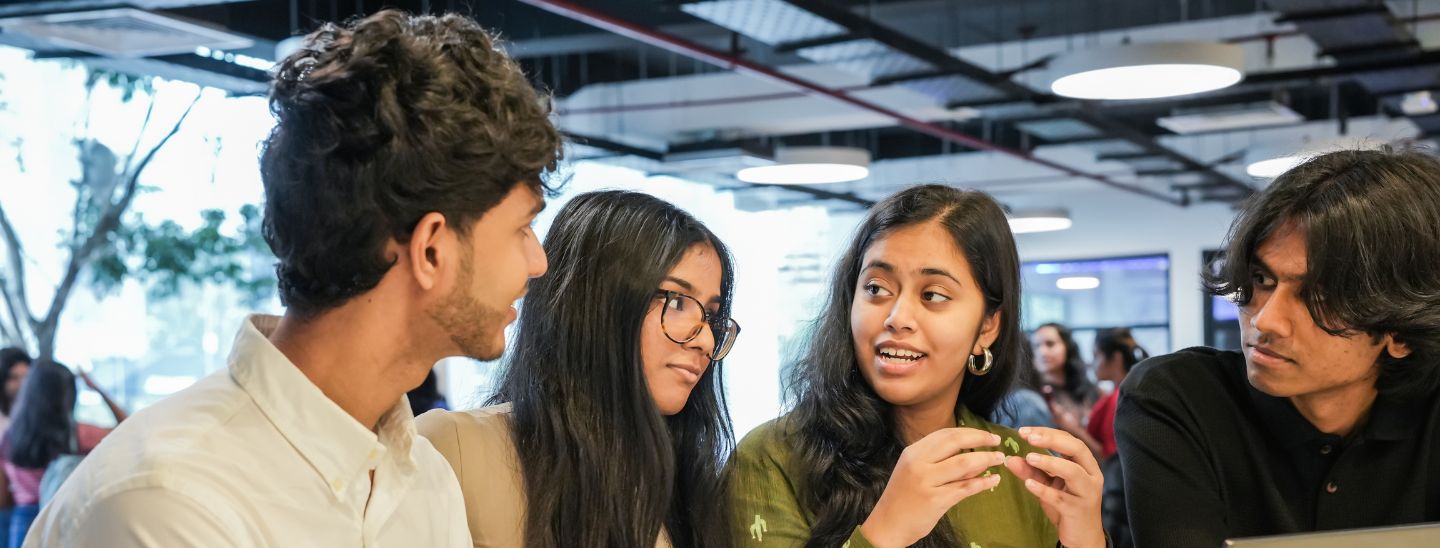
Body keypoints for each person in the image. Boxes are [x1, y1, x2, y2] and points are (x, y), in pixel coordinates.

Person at [27, 9, 563, 547]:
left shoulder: (424, 479)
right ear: (430, 250)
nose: (537, 262)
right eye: (522, 228)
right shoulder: (169, 503)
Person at [729, 185, 1104, 548]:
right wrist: (884, 533)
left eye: (933, 295)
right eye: (876, 288)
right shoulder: (774, 457)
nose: (898, 317)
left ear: (987, 328)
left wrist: (1088, 541)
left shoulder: (1024, 468)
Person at [1116, 148, 1440, 546]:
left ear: (1401, 332)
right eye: (1262, 279)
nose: (1265, 320)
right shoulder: (1181, 399)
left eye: (1319, 297)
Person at [417, 191, 740, 548]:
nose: (706, 340)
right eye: (677, 302)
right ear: (596, 305)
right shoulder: (456, 448)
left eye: (712, 316)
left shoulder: (691, 484)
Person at [3, 361, 126, 546]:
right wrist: (97, 389)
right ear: (68, 395)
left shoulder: (9, 437)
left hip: (21, 524)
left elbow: (3, 497)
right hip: (63, 519)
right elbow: (129, 428)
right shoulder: (80, 434)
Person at [1031, 323, 1099, 428]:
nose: (1042, 352)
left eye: (1050, 344)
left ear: (1068, 347)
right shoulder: (1028, 395)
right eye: (1036, 346)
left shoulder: (1091, 390)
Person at [0, 346, 29, 543]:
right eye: (14, 378)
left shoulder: (36, 418)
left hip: (24, 507)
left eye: (26, 377)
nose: (21, 384)